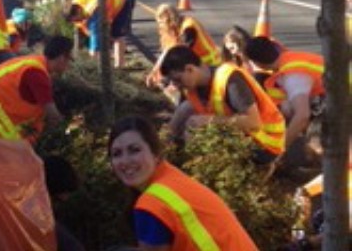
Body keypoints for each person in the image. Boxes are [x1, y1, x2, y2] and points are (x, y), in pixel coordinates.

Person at [108, 115, 258, 250]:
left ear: (155, 154)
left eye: (134, 150)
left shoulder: (152, 205)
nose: (125, 161)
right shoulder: (173, 179)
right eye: (117, 154)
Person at [160, 45, 286, 161]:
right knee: (186, 108)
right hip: (240, 135)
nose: (175, 85)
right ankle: (162, 149)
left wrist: (209, 121)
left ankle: (195, 171)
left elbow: (253, 123)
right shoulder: (193, 87)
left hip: (265, 144)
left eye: (177, 79)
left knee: (192, 129)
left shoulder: (230, 79)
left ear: (190, 69)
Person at [0, 35, 73, 142]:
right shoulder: (38, 74)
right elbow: (52, 115)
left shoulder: (34, 63)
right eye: (70, 59)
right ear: (62, 58)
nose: (70, 65)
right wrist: (68, 128)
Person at [244, 36, 325, 163]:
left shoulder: (293, 75)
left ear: (257, 63)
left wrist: (279, 149)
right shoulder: (291, 59)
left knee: (316, 147)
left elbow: (302, 115)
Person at [146, 4, 221, 88]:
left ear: (170, 20)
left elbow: (180, 57)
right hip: (197, 66)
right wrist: (154, 72)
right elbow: (167, 51)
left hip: (210, 65)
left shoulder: (188, 28)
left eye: (162, 23)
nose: (162, 27)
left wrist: (167, 79)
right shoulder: (175, 29)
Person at [66, 0, 135, 68]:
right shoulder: (75, 5)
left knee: (117, 35)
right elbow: (91, 32)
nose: (78, 21)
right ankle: (111, 59)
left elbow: (95, 34)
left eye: (77, 19)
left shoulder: (93, 9)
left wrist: (93, 56)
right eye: (75, 21)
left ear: (78, 10)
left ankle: (119, 67)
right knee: (109, 35)